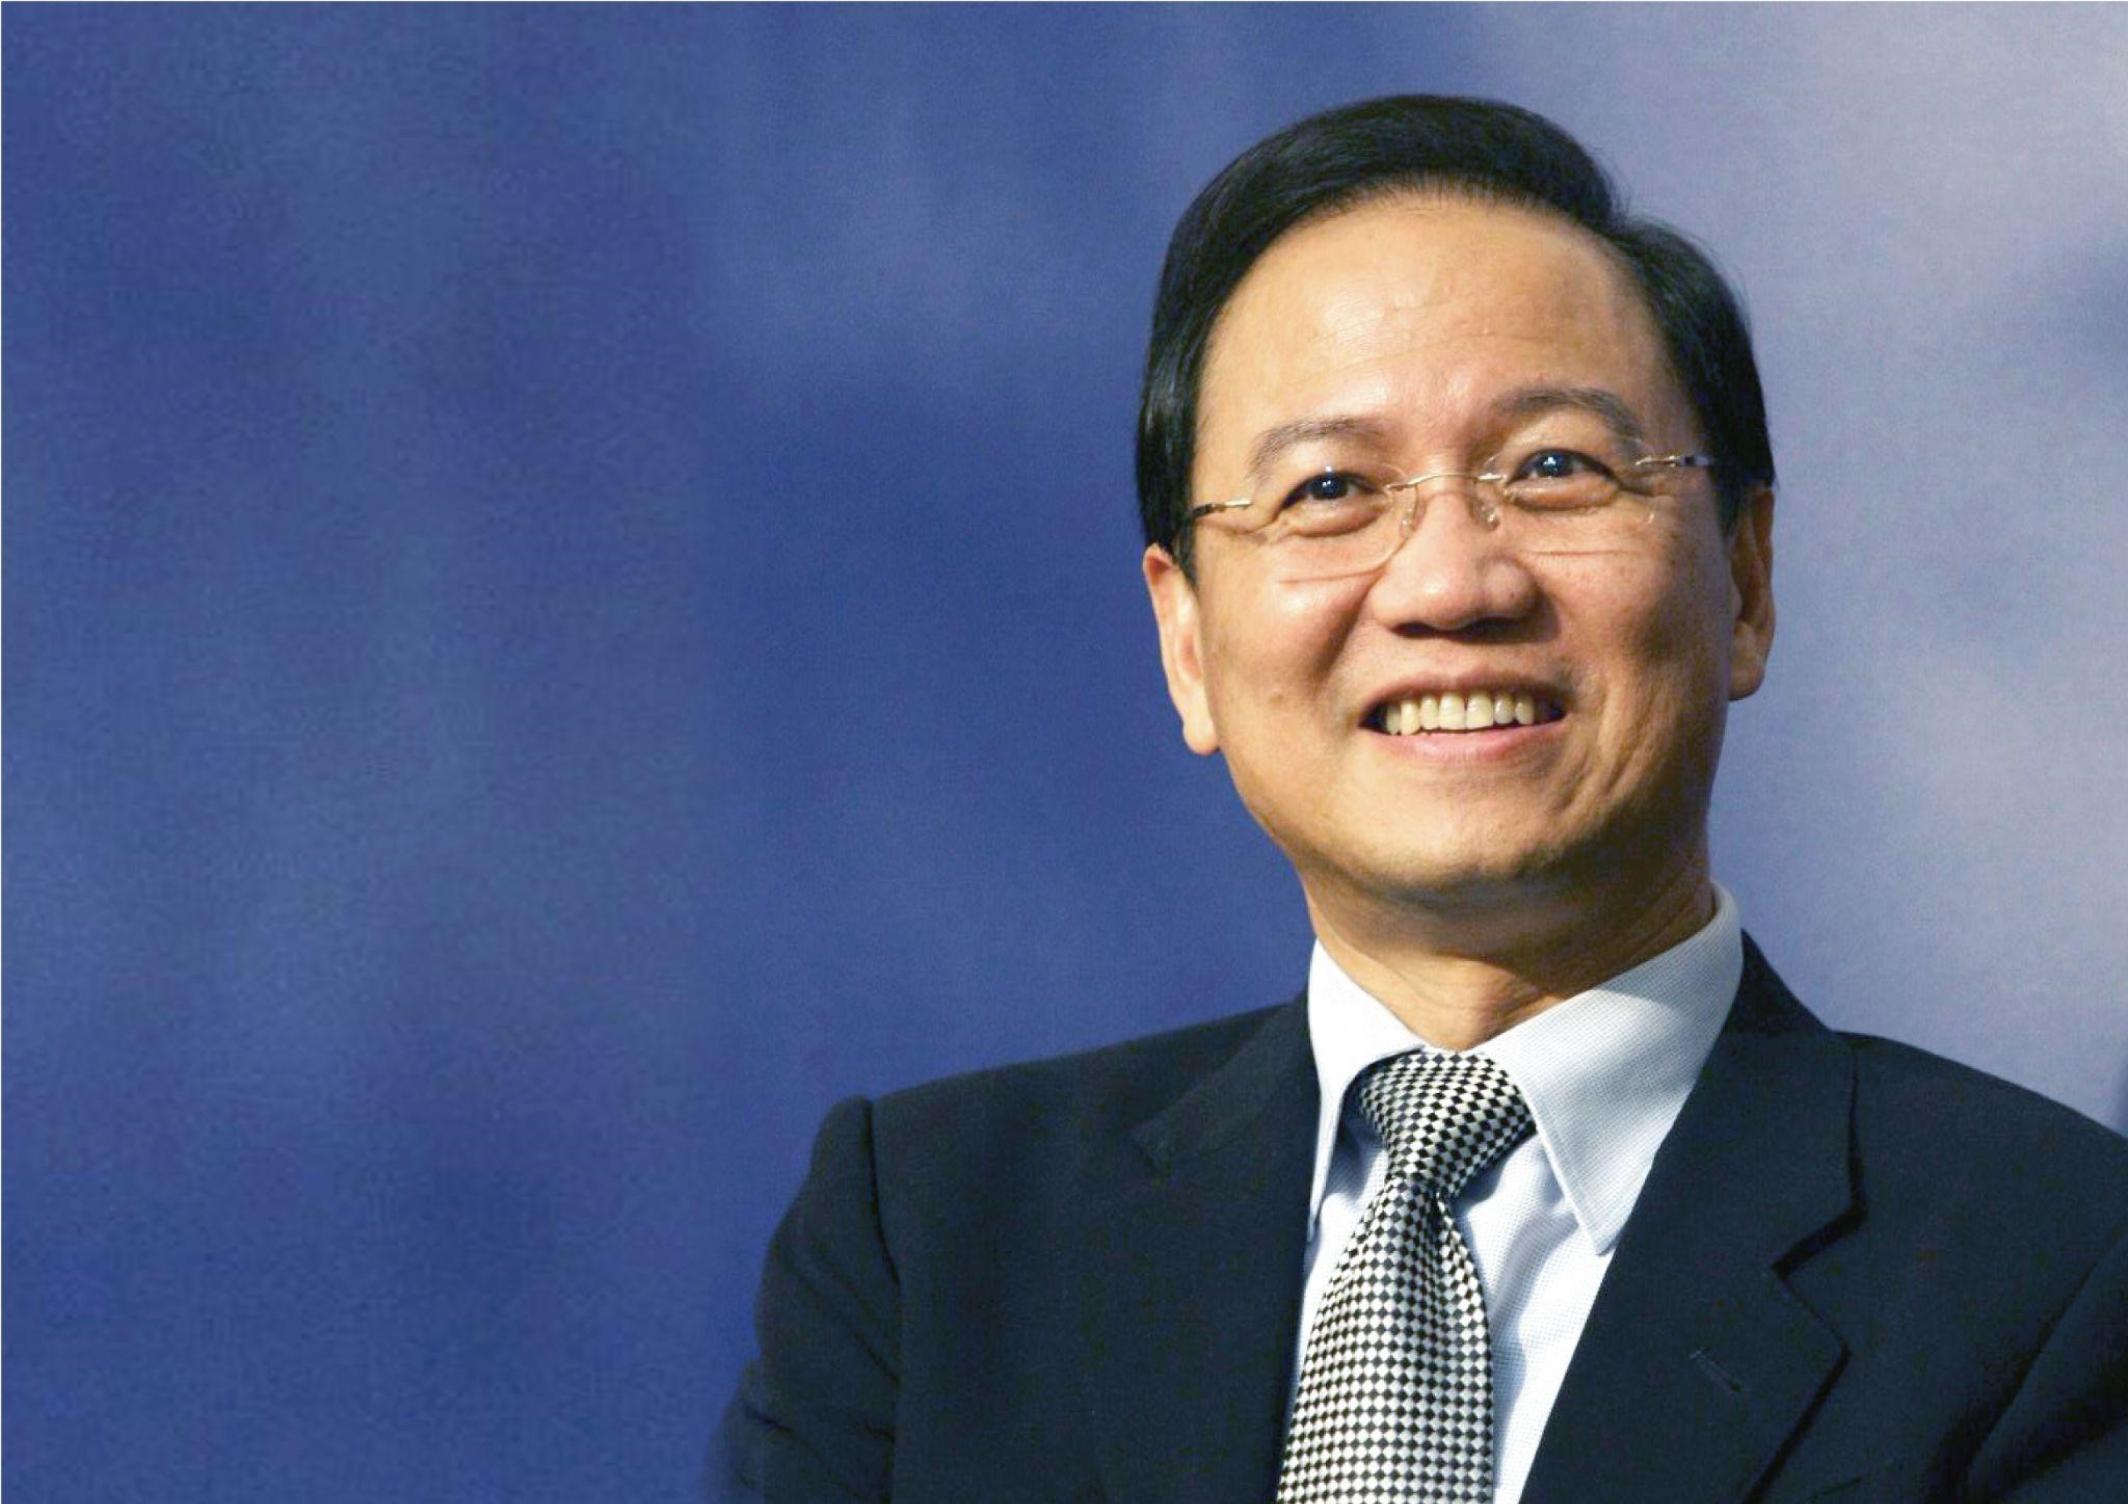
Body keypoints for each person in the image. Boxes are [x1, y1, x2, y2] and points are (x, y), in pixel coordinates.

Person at [718, 96, 2128, 1503]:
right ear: (1186, 641)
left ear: (1744, 583)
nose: (1453, 583)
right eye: (1330, 488)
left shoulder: (2055, 1273)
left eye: (1557, 469)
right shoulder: (926, 1243)